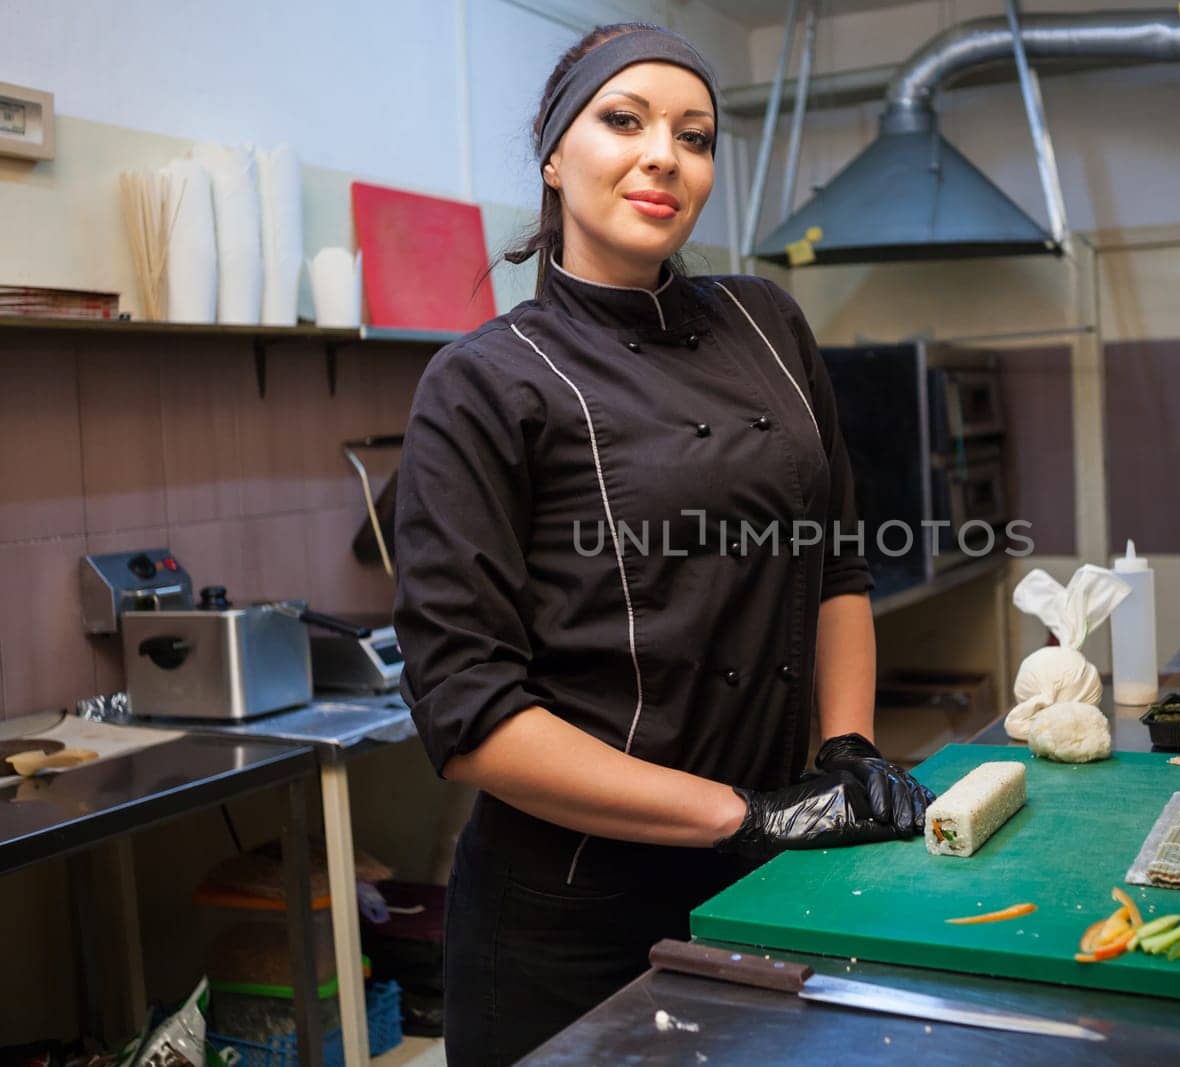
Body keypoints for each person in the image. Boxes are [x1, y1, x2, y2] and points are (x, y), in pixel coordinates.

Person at [392, 22, 938, 1064]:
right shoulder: (485, 380)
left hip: (772, 877)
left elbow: (832, 564)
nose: (663, 156)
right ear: (554, 154)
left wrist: (848, 751)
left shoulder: (768, 324)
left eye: (694, 136)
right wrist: (747, 813)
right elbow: (470, 712)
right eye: (623, 120)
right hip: (573, 914)